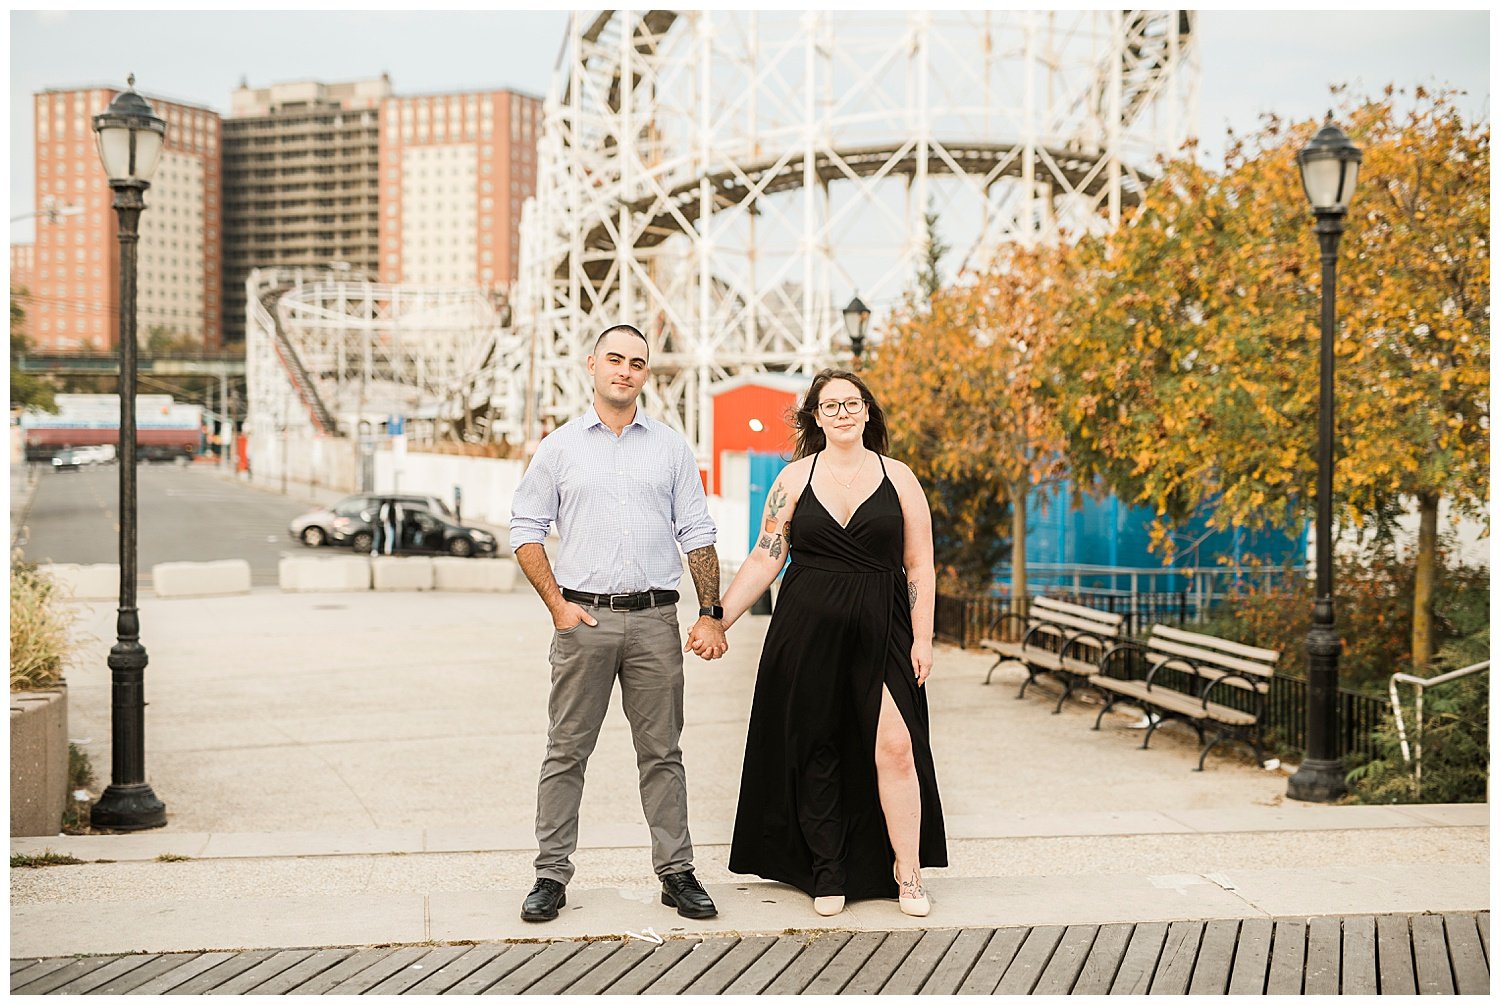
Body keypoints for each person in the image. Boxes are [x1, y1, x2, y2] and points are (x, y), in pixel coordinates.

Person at [509, 323, 730, 924]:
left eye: (637, 362)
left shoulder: (671, 449)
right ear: (592, 365)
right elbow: (525, 531)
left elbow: (698, 533)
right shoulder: (559, 448)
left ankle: (676, 872)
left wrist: (710, 613)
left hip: (657, 619)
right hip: (584, 619)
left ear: (645, 374)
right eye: (615, 359)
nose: (625, 370)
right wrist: (558, 606)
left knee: (662, 752)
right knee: (566, 751)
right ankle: (550, 876)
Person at [718, 368, 947, 918]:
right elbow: (765, 556)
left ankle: (907, 871)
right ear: (816, 418)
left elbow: (920, 564)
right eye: (830, 406)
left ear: (868, 412)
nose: (842, 413)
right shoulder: (793, 479)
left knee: (896, 746)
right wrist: (716, 619)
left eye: (852, 403)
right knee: (815, 746)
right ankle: (828, 869)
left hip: (884, 626)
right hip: (806, 628)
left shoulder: (901, 478)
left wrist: (923, 637)